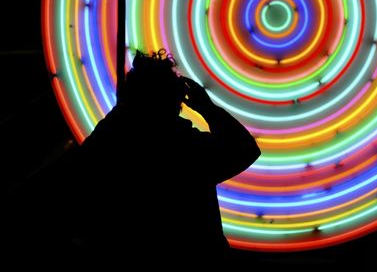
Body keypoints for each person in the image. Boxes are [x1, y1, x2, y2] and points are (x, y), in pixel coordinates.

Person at [64, 49, 261, 266]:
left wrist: (125, 107)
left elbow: (78, 178)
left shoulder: (110, 140)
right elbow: (245, 148)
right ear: (174, 98)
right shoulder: (185, 147)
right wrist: (207, 108)